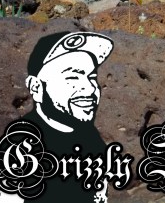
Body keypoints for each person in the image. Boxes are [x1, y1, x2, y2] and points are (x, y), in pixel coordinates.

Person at [20, 31, 114, 203]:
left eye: (92, 77)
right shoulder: (24, 144)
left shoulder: (90, 137)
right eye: (73, 77)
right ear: (36, 87)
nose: (90, 88)